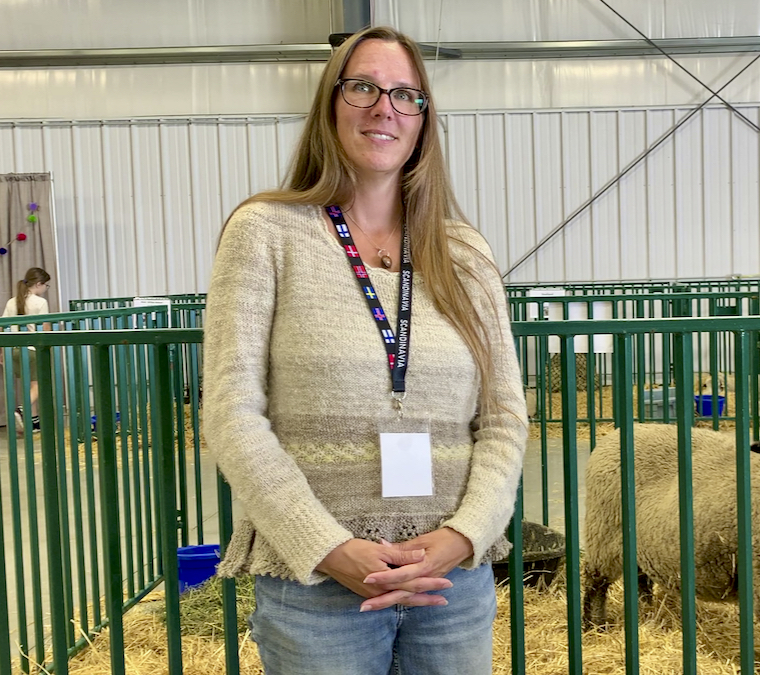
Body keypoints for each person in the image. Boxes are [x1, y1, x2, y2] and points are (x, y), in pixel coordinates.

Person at [203, 26, 528, 675]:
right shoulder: (266, 233)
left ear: (423, 121)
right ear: (331, 103)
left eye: (406, 95)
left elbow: (504, 416)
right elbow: (231, 413)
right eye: (364, 87)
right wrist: (328, 547)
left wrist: (464, 535)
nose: (385, 107)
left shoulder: (464, 254)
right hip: (318, 591)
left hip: (451, 588)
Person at [0, 266, 52, 434]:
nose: (46, 289)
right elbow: (46, 328)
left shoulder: (12, 301)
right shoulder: (40, 303)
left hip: (14, 350)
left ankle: (34, 423)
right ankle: (21, 410)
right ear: (39, 284)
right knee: (39, 385)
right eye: (46, 285)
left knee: (30, 385)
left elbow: (2, 327)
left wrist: (1, 351)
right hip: (32, 350)